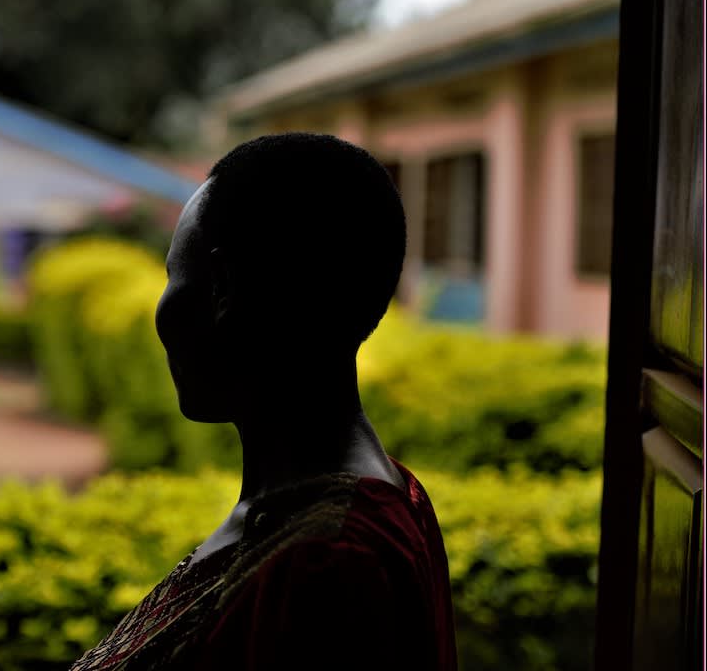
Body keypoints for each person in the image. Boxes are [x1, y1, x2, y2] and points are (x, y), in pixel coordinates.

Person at [70, 133, 457, 670]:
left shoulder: (325, 565)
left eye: (173, 276)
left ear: (222, 289)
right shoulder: (357, 508)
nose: (161, 311)